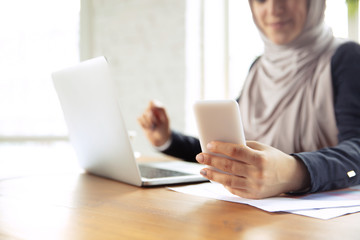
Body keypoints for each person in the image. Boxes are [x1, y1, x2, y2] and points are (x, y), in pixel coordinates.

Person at [138, 0, 360, 199]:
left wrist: (293, 171)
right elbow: (233, 149)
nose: (274, 8)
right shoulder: (259, 67)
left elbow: (357, 152)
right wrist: (167, 140)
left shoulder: (346, 58)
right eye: (261, 0)